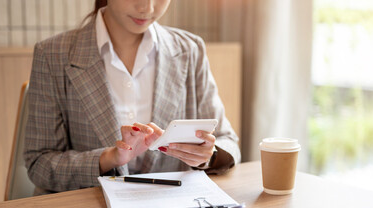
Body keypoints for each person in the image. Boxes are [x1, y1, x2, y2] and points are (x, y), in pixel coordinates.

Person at [24, 0, 241, 195]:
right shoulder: (52, 54)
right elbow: (39, 164)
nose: (147, 7)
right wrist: (110, 158)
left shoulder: (190, 50)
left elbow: (227, 142)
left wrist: (208, 155)